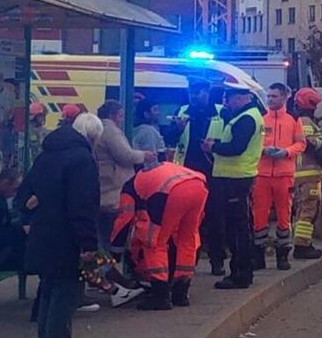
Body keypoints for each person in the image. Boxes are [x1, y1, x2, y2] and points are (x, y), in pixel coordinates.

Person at [20, 111, 103, 338]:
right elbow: (83, 205)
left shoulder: (47, 155)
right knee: (65, 293)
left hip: (42, 233)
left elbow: (24, 195)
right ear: (92, 137)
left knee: (48, 290)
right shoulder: (82, 160)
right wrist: (89, 244)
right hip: (66, 237)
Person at [111, 161, 208, 310]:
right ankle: (181, 291)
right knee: (187, 239)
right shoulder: (156, 172)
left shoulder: (129, 188)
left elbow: (125, 219)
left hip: (170, 192)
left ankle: (160, 295)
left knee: (154, 241)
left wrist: (115, 250)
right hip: (198, 185)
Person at [203, 84, 264, 290]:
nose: (226, 101)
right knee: (238, 226)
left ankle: (240, 273)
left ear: (241, 97)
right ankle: (241, 270)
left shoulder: (246, 119)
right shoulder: (246, 116)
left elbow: (236, 148)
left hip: (235, 178)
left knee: (237, 229)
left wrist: (213, 147)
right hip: (235, 177)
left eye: (228, 97)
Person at [171, 79, 226, 275]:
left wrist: (214, 145)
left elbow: (229, 138)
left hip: (213, 172)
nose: (194, 97)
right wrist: (176, 129)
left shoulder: (220, 112)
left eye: (198, 93)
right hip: (186, 172)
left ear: (207, 92)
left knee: (215, 219)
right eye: (191, 93)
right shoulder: (183, 110)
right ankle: (188, 261)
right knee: (188, 220)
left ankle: (217, 261)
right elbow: (169, 138)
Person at [250, 83, 305, 272]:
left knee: (284, 216)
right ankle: (258, 256)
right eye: (269, 96)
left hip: (283, 175)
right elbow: (252, 144)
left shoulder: (293, 120)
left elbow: (301, 144)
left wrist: (286, 152)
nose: (270, 99)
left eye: (274, 96)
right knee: (259, 216)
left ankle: (283, 255)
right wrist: (263, 150)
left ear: (283, 97)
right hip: (262, 174)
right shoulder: (261, 119)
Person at [94, 100, 153, 252]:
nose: (121, 119)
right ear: (112, 115)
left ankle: (103, 269)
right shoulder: (110, 131)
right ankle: (106, 270)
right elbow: (125, 155)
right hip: (113, 189)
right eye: (120, 115)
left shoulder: (98, 129)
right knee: (111, 233)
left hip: (103, 185)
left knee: (102, 234)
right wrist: (144, 155)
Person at [291, 87, 322, 260]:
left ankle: (303, 243)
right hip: (308, 175)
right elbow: (308, 144)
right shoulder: (306, 122)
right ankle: (302, 246)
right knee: (309, 210)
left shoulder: (298, 120)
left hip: (301, 175)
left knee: (303, 210)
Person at [132, 97, 168, 165]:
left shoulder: (137, 129)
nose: (158, 113)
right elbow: (151, 157)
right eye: (155, 110)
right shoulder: (148, 131)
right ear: (146, 114)